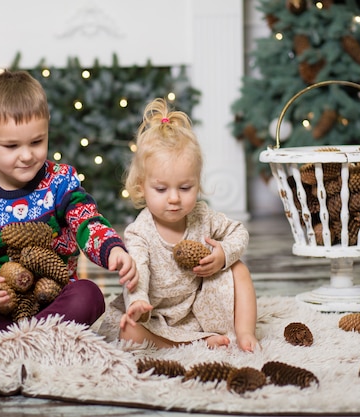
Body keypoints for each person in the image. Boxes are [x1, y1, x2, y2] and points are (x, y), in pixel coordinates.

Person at [0, 70, 138, 349]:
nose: (27, 155)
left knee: (89, 295)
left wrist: (112, 249)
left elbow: (86, 221)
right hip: (2, 308)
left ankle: (21, 342)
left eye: (36, 142)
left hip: (54, 297)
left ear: (47, 131)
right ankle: (35, 340)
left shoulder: (61, 182)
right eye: (11, 145)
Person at [100, 98, 259, 352]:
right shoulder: (139, 233)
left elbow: (239, 232)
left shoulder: (201, 216)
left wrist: (222, 255)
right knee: (127, 331)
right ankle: (190, 343)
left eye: (185, 188)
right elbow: (136, 273)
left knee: (238, 268)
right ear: (142, 186)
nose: (174, 198)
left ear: (197, 182)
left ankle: (245, 332)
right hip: (156, 316)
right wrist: (138, 303)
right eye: (161, 189)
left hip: (197, 306)